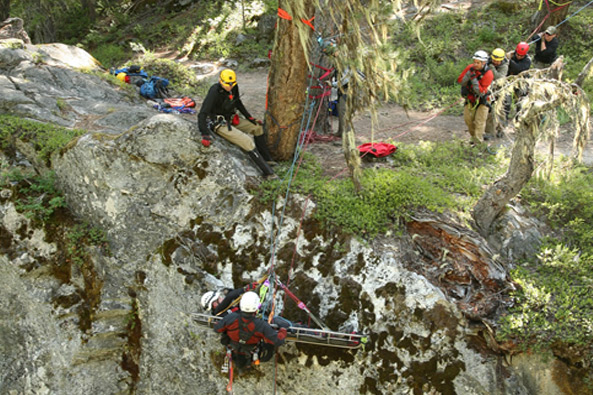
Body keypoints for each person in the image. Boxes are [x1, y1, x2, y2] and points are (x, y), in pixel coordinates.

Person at [198, 69, 275, 177]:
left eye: (232, 84)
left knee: (257, 128)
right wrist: (204, 133)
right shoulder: (214, 91)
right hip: (219, 123)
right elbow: (203, 113)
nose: (230, 86)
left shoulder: (234, 88)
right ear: (220, 81)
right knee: (247, 142)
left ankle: (266, 159)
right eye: (227, 84)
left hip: (231, 119)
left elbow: (238, 102)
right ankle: (268, 173)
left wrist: (249, 117)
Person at [213, 291, 287, 371]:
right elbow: (278, 340)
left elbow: (217, 328)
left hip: (235, 350)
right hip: (250, 352)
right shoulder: (261, 325)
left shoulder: (231, 318)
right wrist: (283, 330)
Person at [456, 50, 494, 145]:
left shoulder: (488, 74)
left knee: (479, 122)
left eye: (478, 63)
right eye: (474, 62)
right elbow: (460, 80)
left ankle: (478, 143)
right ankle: (474, 138)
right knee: (468, 120)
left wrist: (473, 79)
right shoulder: (470, 68)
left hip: (483, 100)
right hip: (470, 98)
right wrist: (468, 75)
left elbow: (481, 92)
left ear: (484, 63)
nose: (475, 64)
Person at [484, 48, 509, 140]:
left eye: (498, 61)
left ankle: (500, 129)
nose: (496, 62)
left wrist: (491, 67)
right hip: (489, 90)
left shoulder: (504, 66)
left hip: (500, 90)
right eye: (494, 60)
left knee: (501, 111)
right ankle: (489, 132)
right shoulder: (487, 62)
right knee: (489, 111)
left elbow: (499, 78)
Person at [504, 42, 532, 121]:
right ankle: (505, 117)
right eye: (518, 55)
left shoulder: (527, 60)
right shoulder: (512, 55)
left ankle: (519, 117)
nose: (519, 57)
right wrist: (505, 57)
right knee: (506, 100)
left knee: (521, 100)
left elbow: (518, 68)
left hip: (521, 81)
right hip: (509, 80)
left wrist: (509, 60)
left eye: (521, 56)